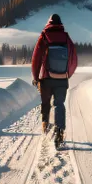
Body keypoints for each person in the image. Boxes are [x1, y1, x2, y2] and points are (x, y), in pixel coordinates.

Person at [31, 14, 78, 147]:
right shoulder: (66, 37)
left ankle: (45, 124)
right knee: (59, 104)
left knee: (46, 102)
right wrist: (66, 74)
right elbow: (74, 60)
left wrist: (36, 78)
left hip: (46, 78)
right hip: (62, 79)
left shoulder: (44, 36)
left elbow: (36, 59)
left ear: (48, 23)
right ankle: (59, 131)